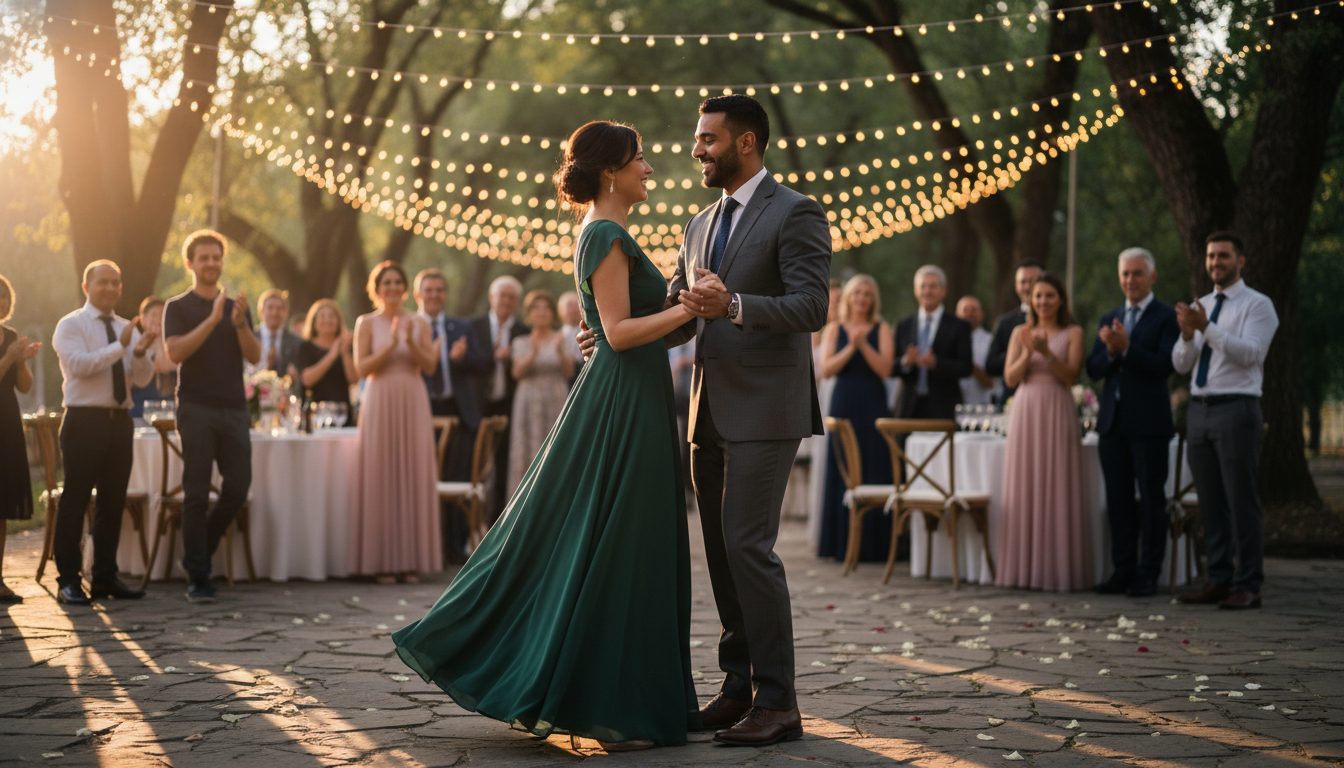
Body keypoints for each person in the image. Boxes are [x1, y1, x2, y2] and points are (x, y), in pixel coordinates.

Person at [394, 120, 700, 751]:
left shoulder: (605, 231)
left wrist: (675, 316)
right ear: (611, 170)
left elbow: (617, 328)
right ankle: (613, 709)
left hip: (631, 391)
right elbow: (616, 332)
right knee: (620, 538)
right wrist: (694, 307)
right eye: (640, 158)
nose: (649, 168)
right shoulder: (607, 232)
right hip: (624, 400)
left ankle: (620, 696)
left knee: (619, 536)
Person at [665, 95, 831, 746]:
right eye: (695, 139)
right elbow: (684, 310)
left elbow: (812, 305)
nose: (696, 149)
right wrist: (614, 335)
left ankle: (780, 701)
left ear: (746, 144)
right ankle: (737, 688)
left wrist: (733, 303)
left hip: (767, 406)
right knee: (720, 554)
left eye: (707, 139)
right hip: (707, 407)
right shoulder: (698, 225)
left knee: (748, 548)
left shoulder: (796, 211)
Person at [1173, 232, 1278, 610]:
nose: (1216, 262)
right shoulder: (1202, 305)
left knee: (1241, 499)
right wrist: (1187, 336)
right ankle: (1218, 579)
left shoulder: (1258, 305)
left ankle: (1248, 583)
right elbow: (1181, 364)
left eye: (1223, 256)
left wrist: (1205, 328)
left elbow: (1251, 353)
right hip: (1199, 409)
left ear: (1241, 260)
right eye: (1211, 256)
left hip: (1237, 409)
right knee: (1211, 501)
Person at [49, 261, 159, 606]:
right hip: (84, 420)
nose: (110, 288)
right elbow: (80, 366)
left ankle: (105, 578)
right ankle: (67, 579)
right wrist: (120, 346)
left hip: (119, 421)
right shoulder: (71, 325)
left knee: (113, 501)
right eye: (103, 282)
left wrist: (139, 352)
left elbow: (141, 379)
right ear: (87, 287)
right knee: (76, 498)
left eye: (116, 282)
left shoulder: (129, 328)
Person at [164, 230, 261, 603]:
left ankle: (196, 550)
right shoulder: (179, 307)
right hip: (196, 407)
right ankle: (199, 576)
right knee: (196, 491)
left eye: (216, 258)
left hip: (234, 407)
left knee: (238, 486)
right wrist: (212, 319)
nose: (210, 264)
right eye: (203, 258)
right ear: (190, 263)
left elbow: (254, 356)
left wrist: (236, 322)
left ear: (222, 262)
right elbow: (174, 353)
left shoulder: (237, 307)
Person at [1087, 248, 1181, 598]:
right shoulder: (1110, 316)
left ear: (1152, 277)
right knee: (1118, 501)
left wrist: (1127, 348)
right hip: (1112, 424)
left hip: (1149, 424)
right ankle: (1122, 570)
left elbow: (1164, 366)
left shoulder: (1166, 317)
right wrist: (1112, 351)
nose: (1130, 280)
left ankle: (1148, 573)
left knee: (1152, 502)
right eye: (1125, 274)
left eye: (1137, 273)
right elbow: (1093, 368)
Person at [995, 272, 1090, 591]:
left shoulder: (1073, 332)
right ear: (1029, 300)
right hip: (1026, 409)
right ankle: (1024, 570)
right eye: (1038, 296)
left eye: (1050, 295)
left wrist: (1048, 352)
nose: (1043, 302)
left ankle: (1059, 570)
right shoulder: (1020, 332)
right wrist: (1027, 352)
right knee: (1026, 484)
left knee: (1058, 482)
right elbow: (1010, 379)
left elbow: (1072, 377)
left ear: (1060, 299)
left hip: (1057, 407)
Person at [352, 261, 442, 585]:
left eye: (396, 282)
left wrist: (412, 342)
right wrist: (390, 345)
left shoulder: (418, 321)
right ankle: (381, 562)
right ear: (376, 289)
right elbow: (361, 369)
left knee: (412, 473)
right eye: (385, 282)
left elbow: (430, 366)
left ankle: (410, 561)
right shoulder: (365, 323)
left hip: (412, 399)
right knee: (381, 474)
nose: (391, 288)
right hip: (379, 398)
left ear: (405, 289)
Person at [817, 275, 894, 565]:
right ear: (849, 297)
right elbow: (827, 369)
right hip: (844, 401)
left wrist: (864, 345)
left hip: (874, 402)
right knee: (845, 467)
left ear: (873, 299)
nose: (862, 298)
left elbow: (885, 370)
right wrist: (851, 346)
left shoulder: (882, 328)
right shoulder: (835, 328)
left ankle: (875, 546)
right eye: (857, 293)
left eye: (867, 293)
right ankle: (840, 543)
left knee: (874, 464)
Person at [470, 276, 527, 522]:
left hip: (510, 404)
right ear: (492, 298)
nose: (506, 300)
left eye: (511, 297)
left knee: (504, 464)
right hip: (476, 405)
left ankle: (497, 522)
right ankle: (470, 524)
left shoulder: (525, 332)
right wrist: (493, 356)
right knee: (474, 464)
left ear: (517, 302)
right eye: (501, 295)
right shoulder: (473, 327)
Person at [506, 289, 574, 496]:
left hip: (556, 398)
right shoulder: (521, 342)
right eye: (536, 309)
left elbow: (569, 372)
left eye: (546, 309)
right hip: (528, 400)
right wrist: (533, 352)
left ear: (553, 314)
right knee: (528, 450)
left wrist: (561, 350)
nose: (542, 313)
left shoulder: (562, 338)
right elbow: (517, 373)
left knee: (555, 450)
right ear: (529, 314)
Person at [0, 273, 40, 603]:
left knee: (1, 503)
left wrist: (22, 362)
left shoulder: (10, 335)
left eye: (3, 296)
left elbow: (23, 386)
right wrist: (9, 358)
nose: (0, 301)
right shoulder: (8, 347)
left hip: (6, 422)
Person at [894, 266, 972, 419]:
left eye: (933, 286)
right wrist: (905, 362)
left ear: (943, 291)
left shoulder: (959, 326)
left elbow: (966, 368)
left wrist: (936, 363)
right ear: (916, 291)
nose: (927, 291)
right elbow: (890, 367)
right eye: (923, 286)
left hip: (944, 408)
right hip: (908, 409)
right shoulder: (903, 325)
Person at [806, 279, 843, 547]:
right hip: (820, 394)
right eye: (834, 302)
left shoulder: (843, 331)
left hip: (833, 394)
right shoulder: (816, 332)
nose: (837, 307)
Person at [985, 260, 1045, 403]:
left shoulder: (1059, 324)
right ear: (1016, 286)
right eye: (1023, 282)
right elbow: (990, 365)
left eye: (1033, 281)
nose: (1028, 286)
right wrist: (1018, 353)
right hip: (1013, 399)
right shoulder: (1005, 323)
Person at [295, 299, 357, 413]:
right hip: (314, 412)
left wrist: (345, 353)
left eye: (332, 316)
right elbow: (306, 380)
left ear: (338, 321)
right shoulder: (305, 347)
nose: (327, 320)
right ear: (314, 322)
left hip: (342, 412)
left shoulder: (347, 345)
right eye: (323, 316)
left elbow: (354, 380)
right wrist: (332, 355)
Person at [129, 296, 177, 419]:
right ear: (143, 320)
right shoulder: (134, 346)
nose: (159, 319)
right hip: (139, 411)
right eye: (154, 315)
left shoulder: (175, 345)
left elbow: (169, 367)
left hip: (171, 412)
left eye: (163, 314)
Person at [956, 295, 995, 407]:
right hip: (954, 405)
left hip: (981, 405)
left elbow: (993, 383)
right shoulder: (949, 340)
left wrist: (969, 366)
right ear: (957, 314)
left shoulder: (990, 341)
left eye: (973, 310)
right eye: (965, 310)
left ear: (982, 314)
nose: (969, 314)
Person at [257, 289, 301, 376]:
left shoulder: (297, 342)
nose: (274, 313)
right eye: (270, 308)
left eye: (279, 308)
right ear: (261, 311)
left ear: (285, 312)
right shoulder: (250, 337)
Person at [557, 290, 586, 388]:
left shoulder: (591, 331)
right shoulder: (556, 336)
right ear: (560, 310)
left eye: (577, 304)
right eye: (569, 305)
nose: (574, 309)